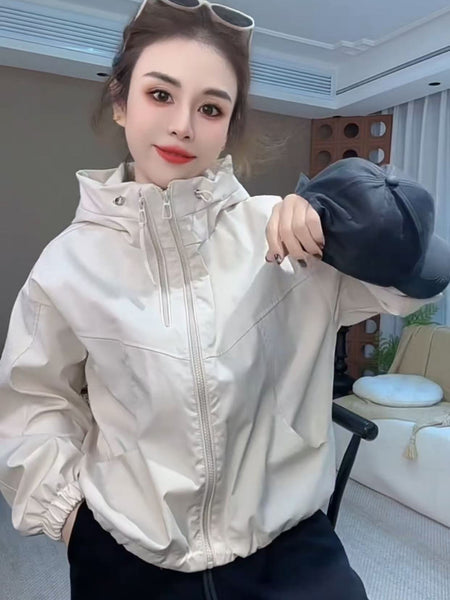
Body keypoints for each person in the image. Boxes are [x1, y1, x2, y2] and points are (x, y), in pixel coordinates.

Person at [0, 1, 444, 599]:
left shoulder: (286, 235)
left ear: (229, 125)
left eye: (210, 107)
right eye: (161, 94)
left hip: (288, 557)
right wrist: (70, 519)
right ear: (120, 100)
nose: (183, 125)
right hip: (126, 561)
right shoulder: (68, 263)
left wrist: (341, 210)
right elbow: (32, 401)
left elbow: (415, 277)